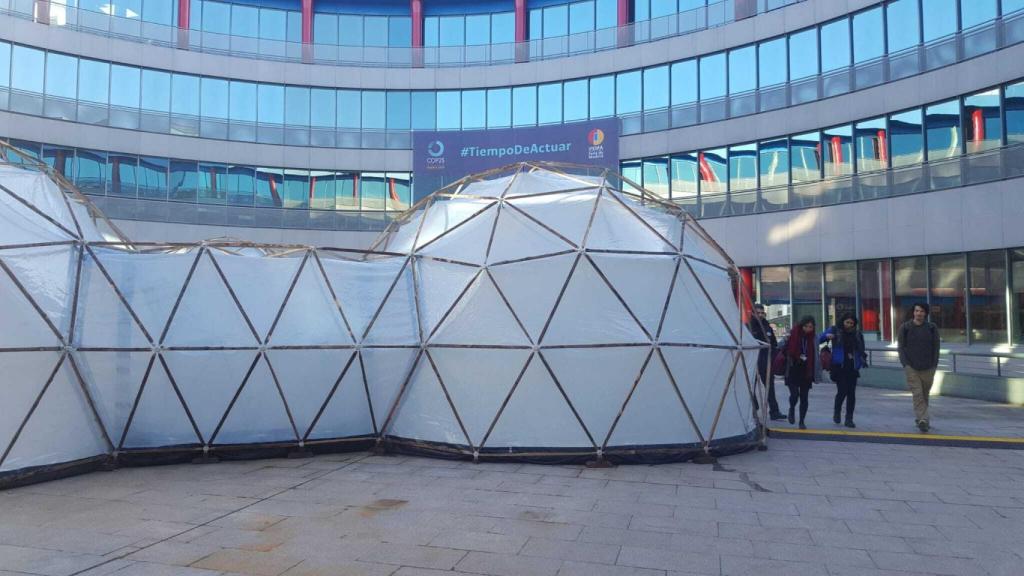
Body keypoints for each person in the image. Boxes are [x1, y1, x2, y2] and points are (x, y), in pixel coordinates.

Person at [897, 303, 940, 432]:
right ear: (913, 312)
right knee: (917, 393)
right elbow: (900, 347)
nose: (919, 313)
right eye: (916, 311)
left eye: (921, 311)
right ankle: (922, 419)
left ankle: (923, 419)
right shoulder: (905, 327)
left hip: (928, 367)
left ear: (925, 313)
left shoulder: (932, 328)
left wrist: (934, 364)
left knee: (924, 394)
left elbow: (936, 347)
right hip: (911, 367)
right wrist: (905, 364)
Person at [820, 313, 867, 428]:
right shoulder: (835, 330)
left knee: (851, 393)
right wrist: (827, 336)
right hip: (839, 366)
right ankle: (837, 412)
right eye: (847, 322)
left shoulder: (857, 334)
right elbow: (819, 338)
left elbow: (861, 349)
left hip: (852, 366)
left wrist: (860, 362)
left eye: (852, 323)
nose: (849, 325)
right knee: (842, 391)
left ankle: (849, 418)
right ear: (843, 321)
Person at [747, 304, 784, 420]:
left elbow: (773, 343)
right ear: (753, 313)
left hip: (765, 361)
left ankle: (774, 411)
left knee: (770, 387)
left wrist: (772, 355)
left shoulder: (767, 326)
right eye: (758, 313)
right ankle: (754, 407)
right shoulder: (748, 326)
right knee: (750, 387)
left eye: (762, 313)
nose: (761, 315)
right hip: (753, 361)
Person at [784, 316, 817, 429]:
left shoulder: (813, 338)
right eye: (806, 326)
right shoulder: (793, 335)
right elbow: (784, 350)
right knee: (794, 394)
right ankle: (792, 409)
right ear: (802, 326)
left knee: (804, 397)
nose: (808, 329)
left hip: (806, 370)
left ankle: (802, 421)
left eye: (811, 327)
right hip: (793, 368)